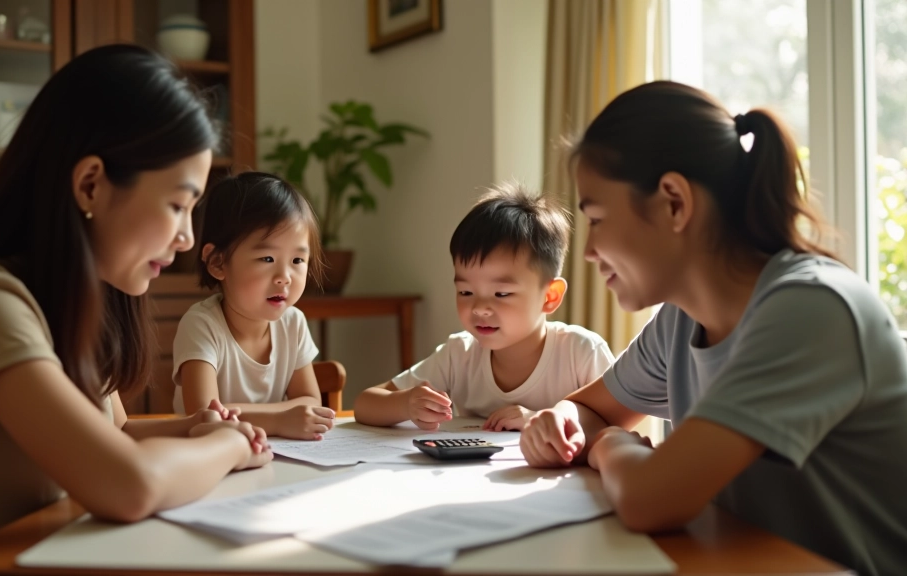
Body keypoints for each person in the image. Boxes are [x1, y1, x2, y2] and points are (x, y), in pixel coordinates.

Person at [0, 45, 272, 576]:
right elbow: (127, 483)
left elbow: (108, 440)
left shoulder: (76, 299)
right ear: (91, 183)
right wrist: (226, 445)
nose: (186, 239)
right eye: (178, 205)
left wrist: (191, 429)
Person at [520, 80, 907, 575]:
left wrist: (611, 444)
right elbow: (590, 409)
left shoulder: (811, 310)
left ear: (674, 202)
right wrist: (564, 423)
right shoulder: (681, 321)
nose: (590, 250)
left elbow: (649, 500)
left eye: (596, 218)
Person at [355, 183, 614, 431]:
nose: (479, 308)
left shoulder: (581, 353)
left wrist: (538, 419)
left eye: (501, 293)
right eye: (465, 291)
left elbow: (615, 425)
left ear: (549, 297)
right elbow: (365, 404)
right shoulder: (459, 355)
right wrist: (405, 404)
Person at [173, 171, 335, 441]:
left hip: (271, 452)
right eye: (268, 258)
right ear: (217, 262)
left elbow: (310, 401)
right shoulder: (201, 325)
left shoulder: (293, 322)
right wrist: (279, 420)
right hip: (208, 453)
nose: (285, 276)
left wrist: (273, 420)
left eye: (297, 261)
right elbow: (203, 415)